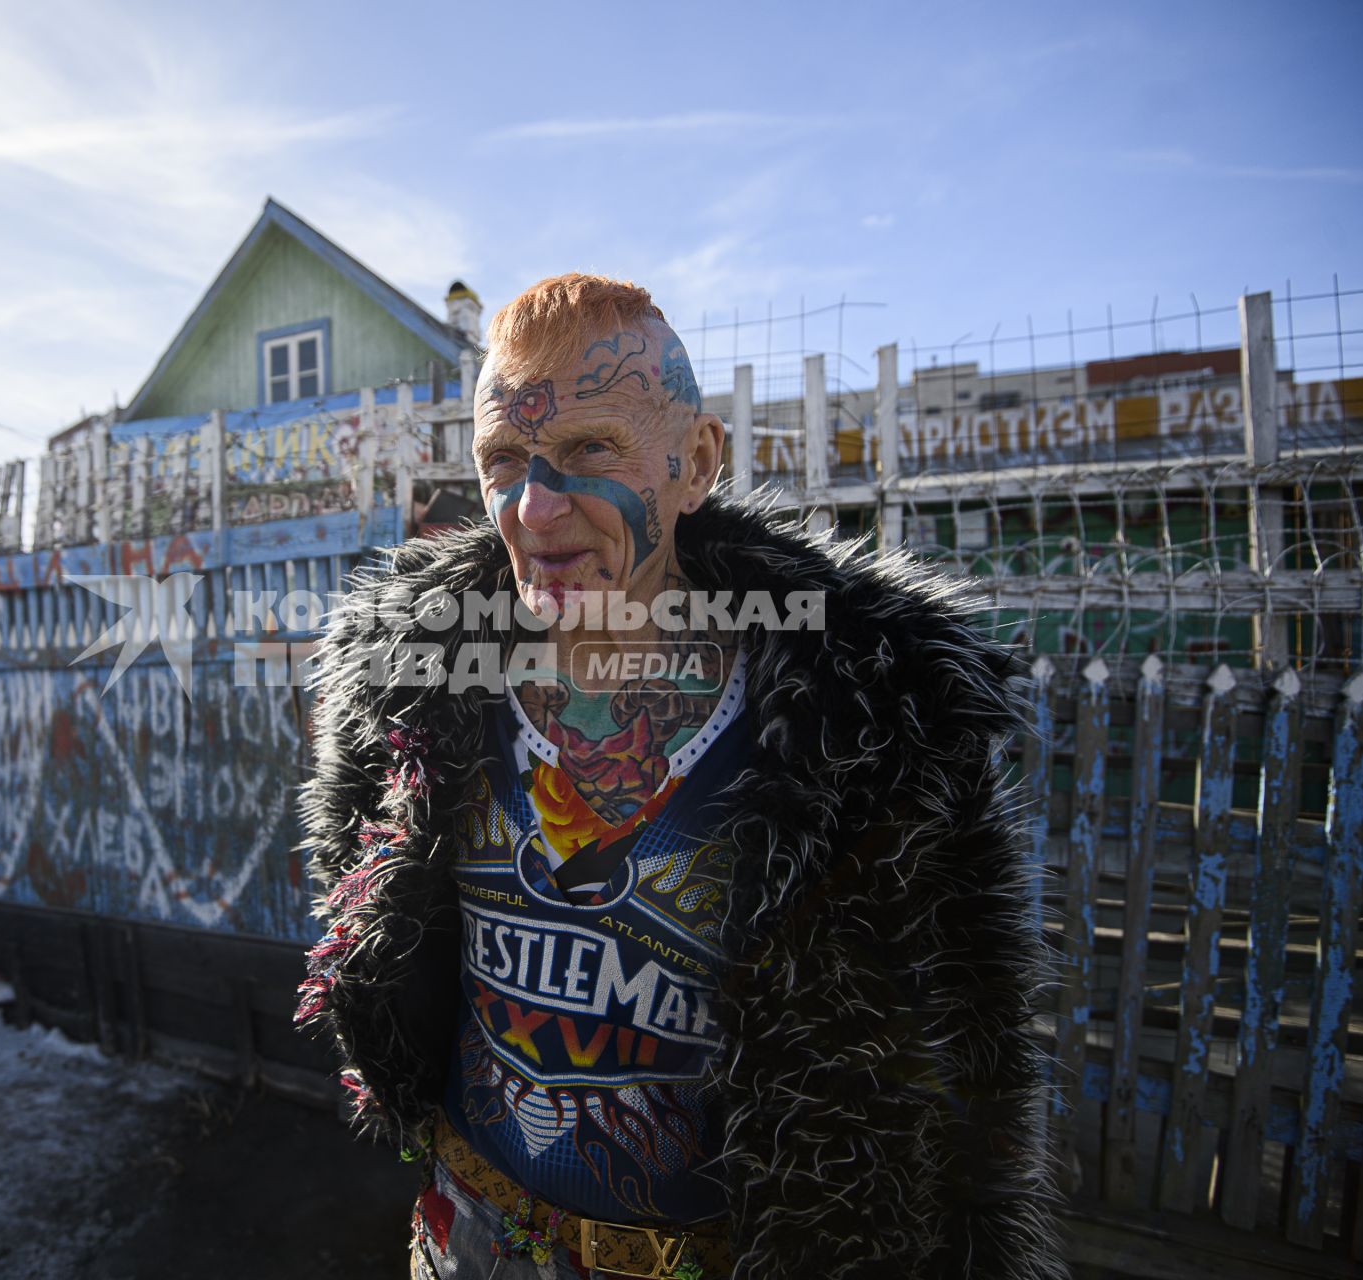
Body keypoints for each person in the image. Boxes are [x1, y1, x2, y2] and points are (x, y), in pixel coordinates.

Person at [296, 273, 1068, 1279]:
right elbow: (376, 942)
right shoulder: (420, 683)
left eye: (587, 451)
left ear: (696, 461)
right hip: (465, 1238)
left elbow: (965, 1088)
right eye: (505, 461)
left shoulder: (868, 730)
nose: (533, 507)